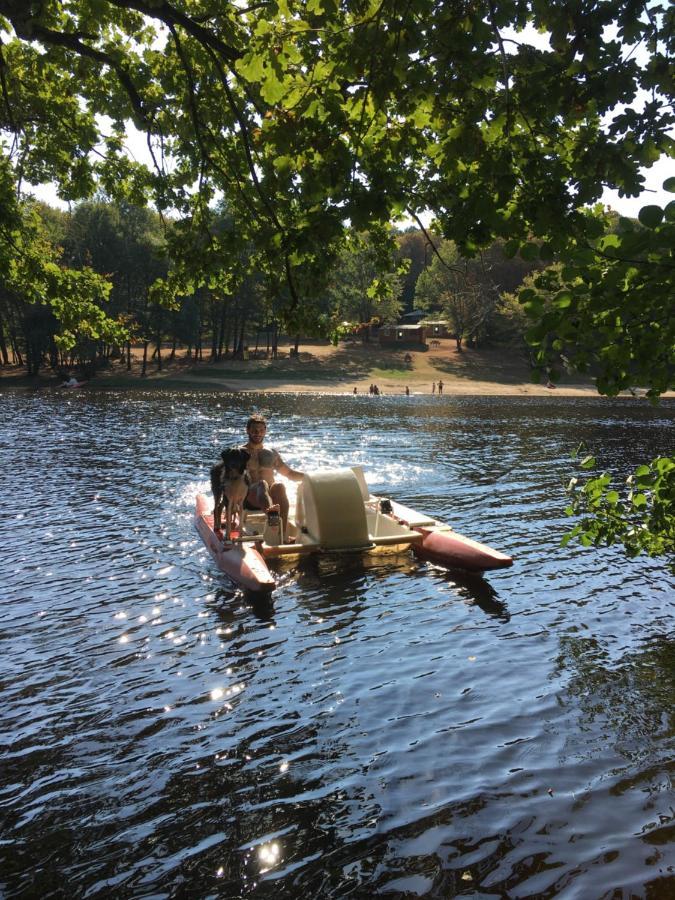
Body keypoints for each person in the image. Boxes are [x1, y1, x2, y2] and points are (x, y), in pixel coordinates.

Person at [242, 414, 304, 539]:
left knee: (279, 486)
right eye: (254, 430)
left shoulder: (271, 453)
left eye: (261, 430)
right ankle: (272, 515)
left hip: (271, 497)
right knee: (262, 484)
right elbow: (230, 478)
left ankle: (283, 534)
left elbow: (290, 474)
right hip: (250, 498)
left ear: (265, 431)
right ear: (247, 430)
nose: (257, 433)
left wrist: (312, 478)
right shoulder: (240, 453)